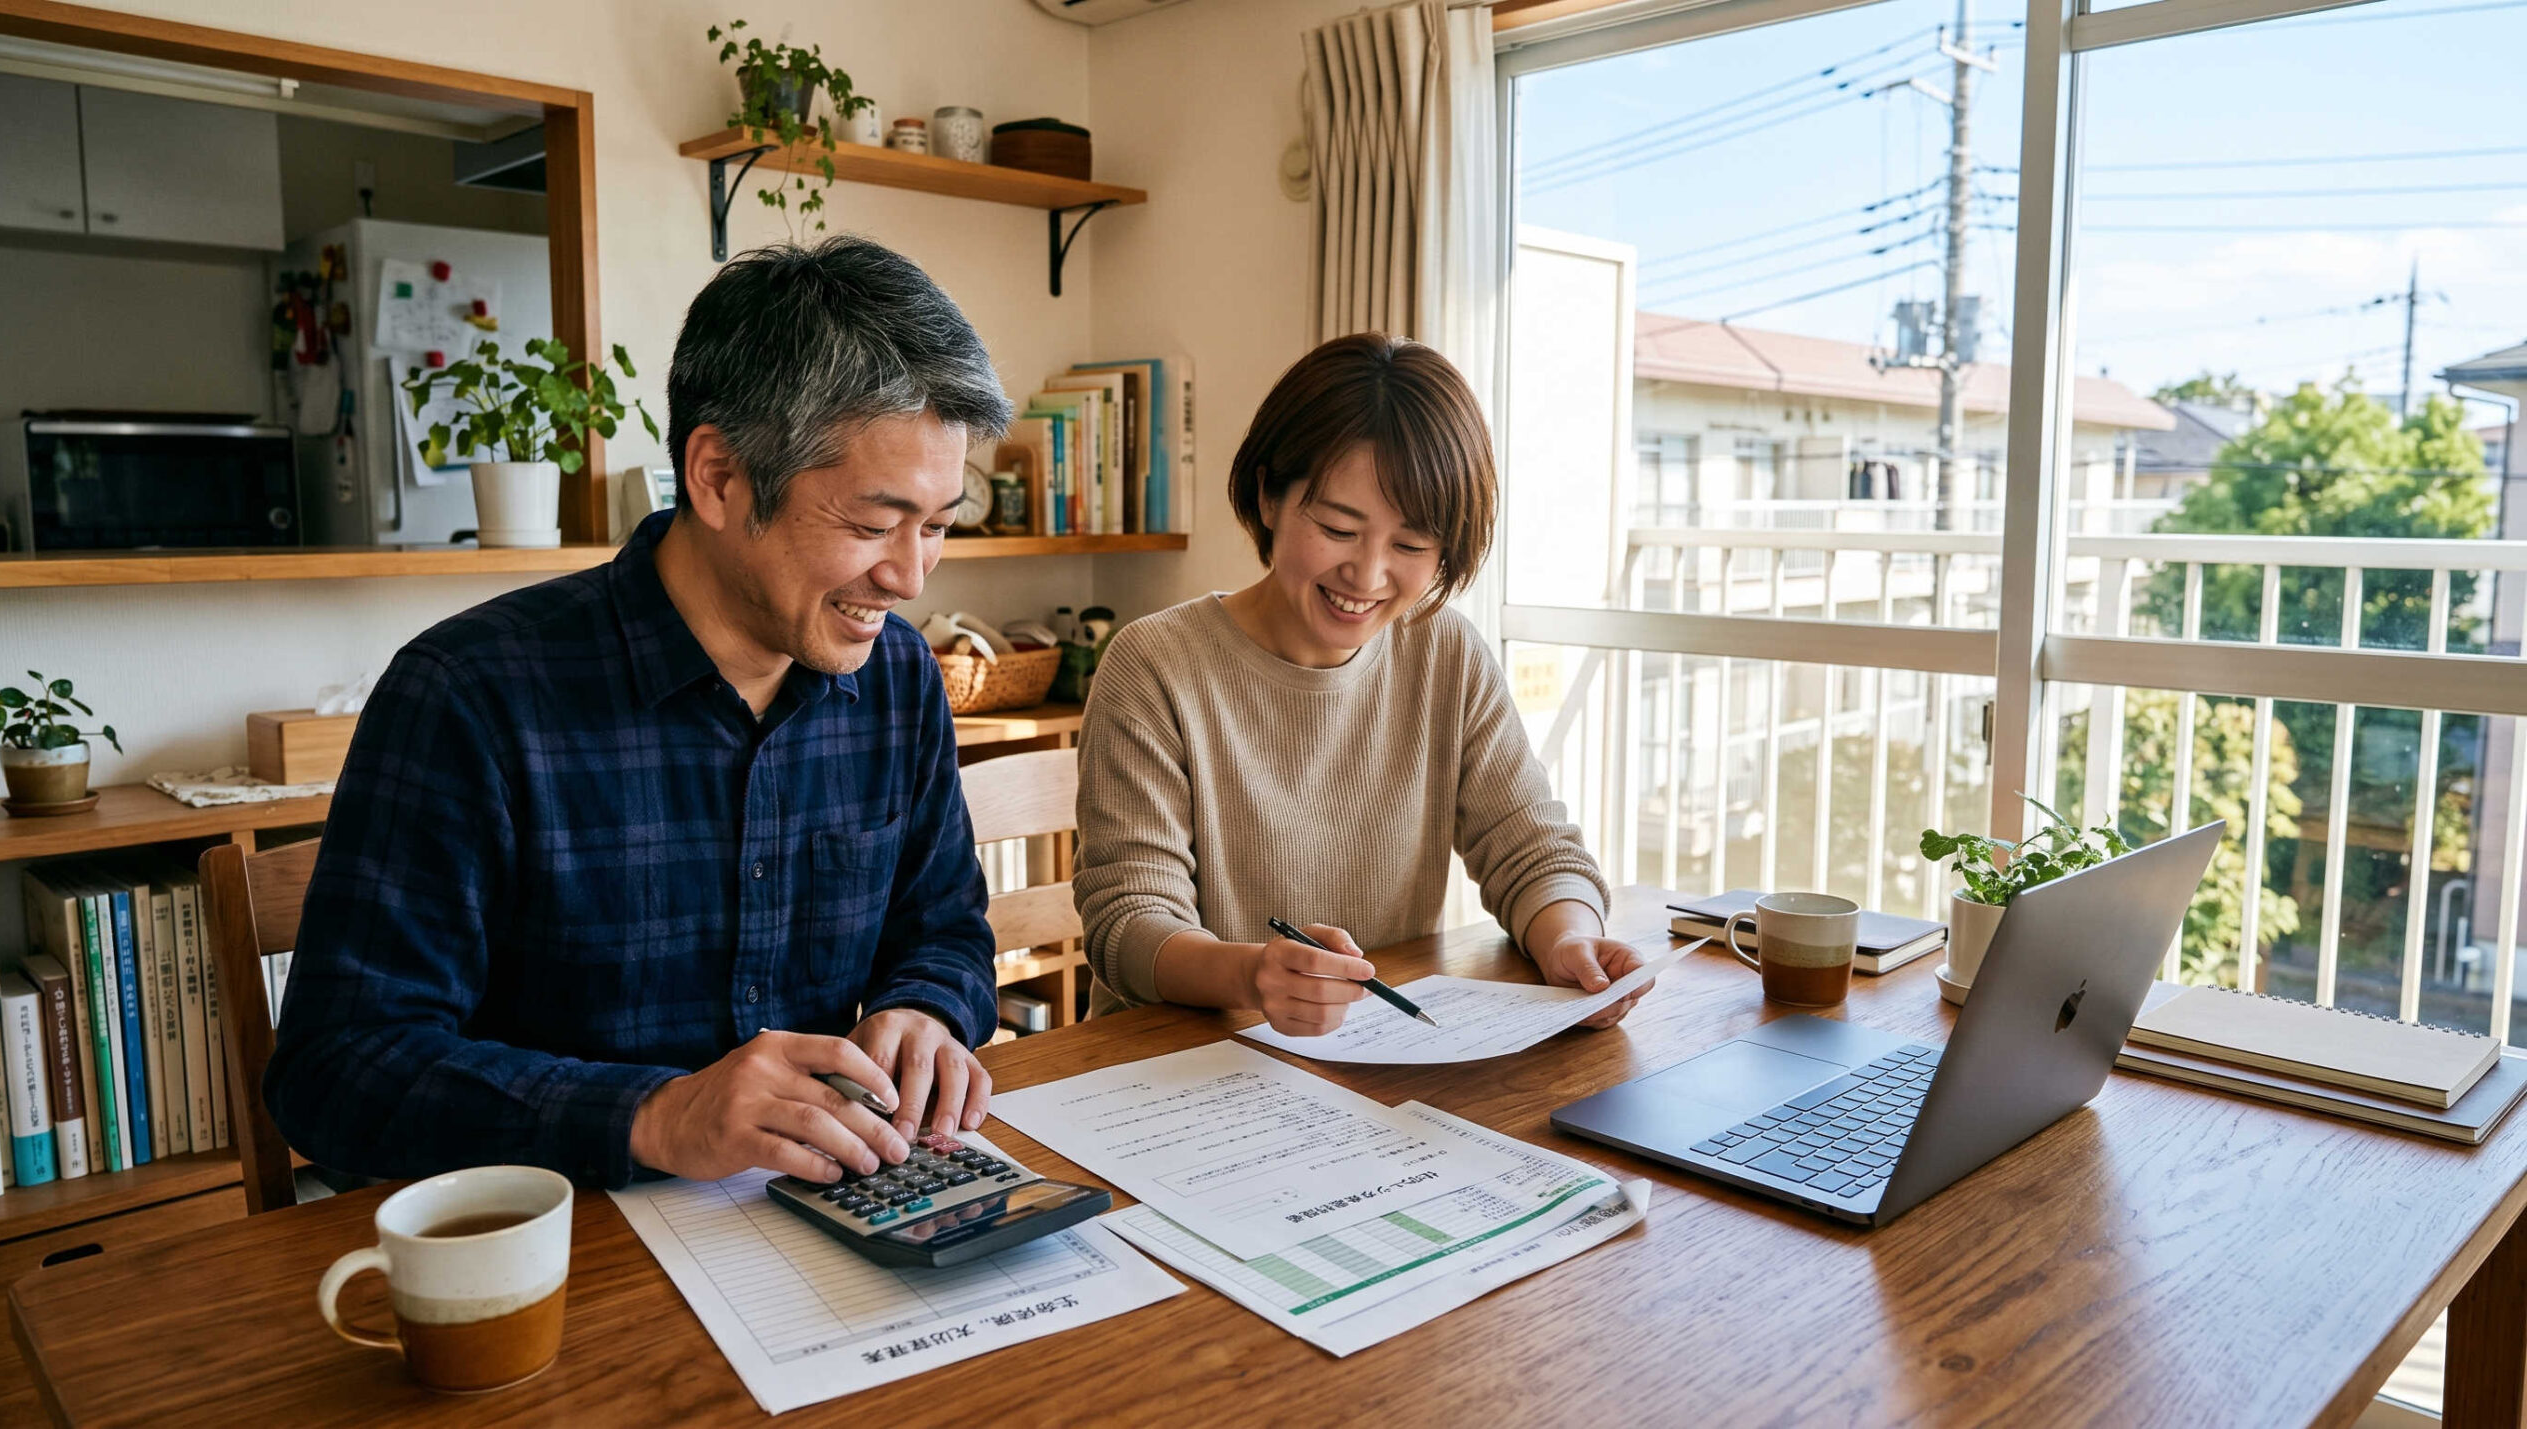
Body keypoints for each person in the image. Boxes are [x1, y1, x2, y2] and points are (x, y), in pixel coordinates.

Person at [267, 238, 1015, 1189]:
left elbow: (944, 925)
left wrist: (928, 1009)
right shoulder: (471, 694)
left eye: (940, 524)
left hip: (822, 1217)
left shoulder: (899, 678)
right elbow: (336, 1072)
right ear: (717, 477)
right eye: (872, 525)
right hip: (557, 1249)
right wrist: (656, 1116)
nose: (909, 577)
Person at [1074, 333, 1651, 1036]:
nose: (1369, 575)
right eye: (1339, 527)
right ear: (1268, 495)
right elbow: (1128, 921)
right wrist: (1253, 975)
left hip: (1379, 1058)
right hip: (1176, 1067)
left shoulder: (1445, 652)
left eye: (1410, 546)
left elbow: (1532, 847)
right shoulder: (1155, 664)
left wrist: (1570, 941)